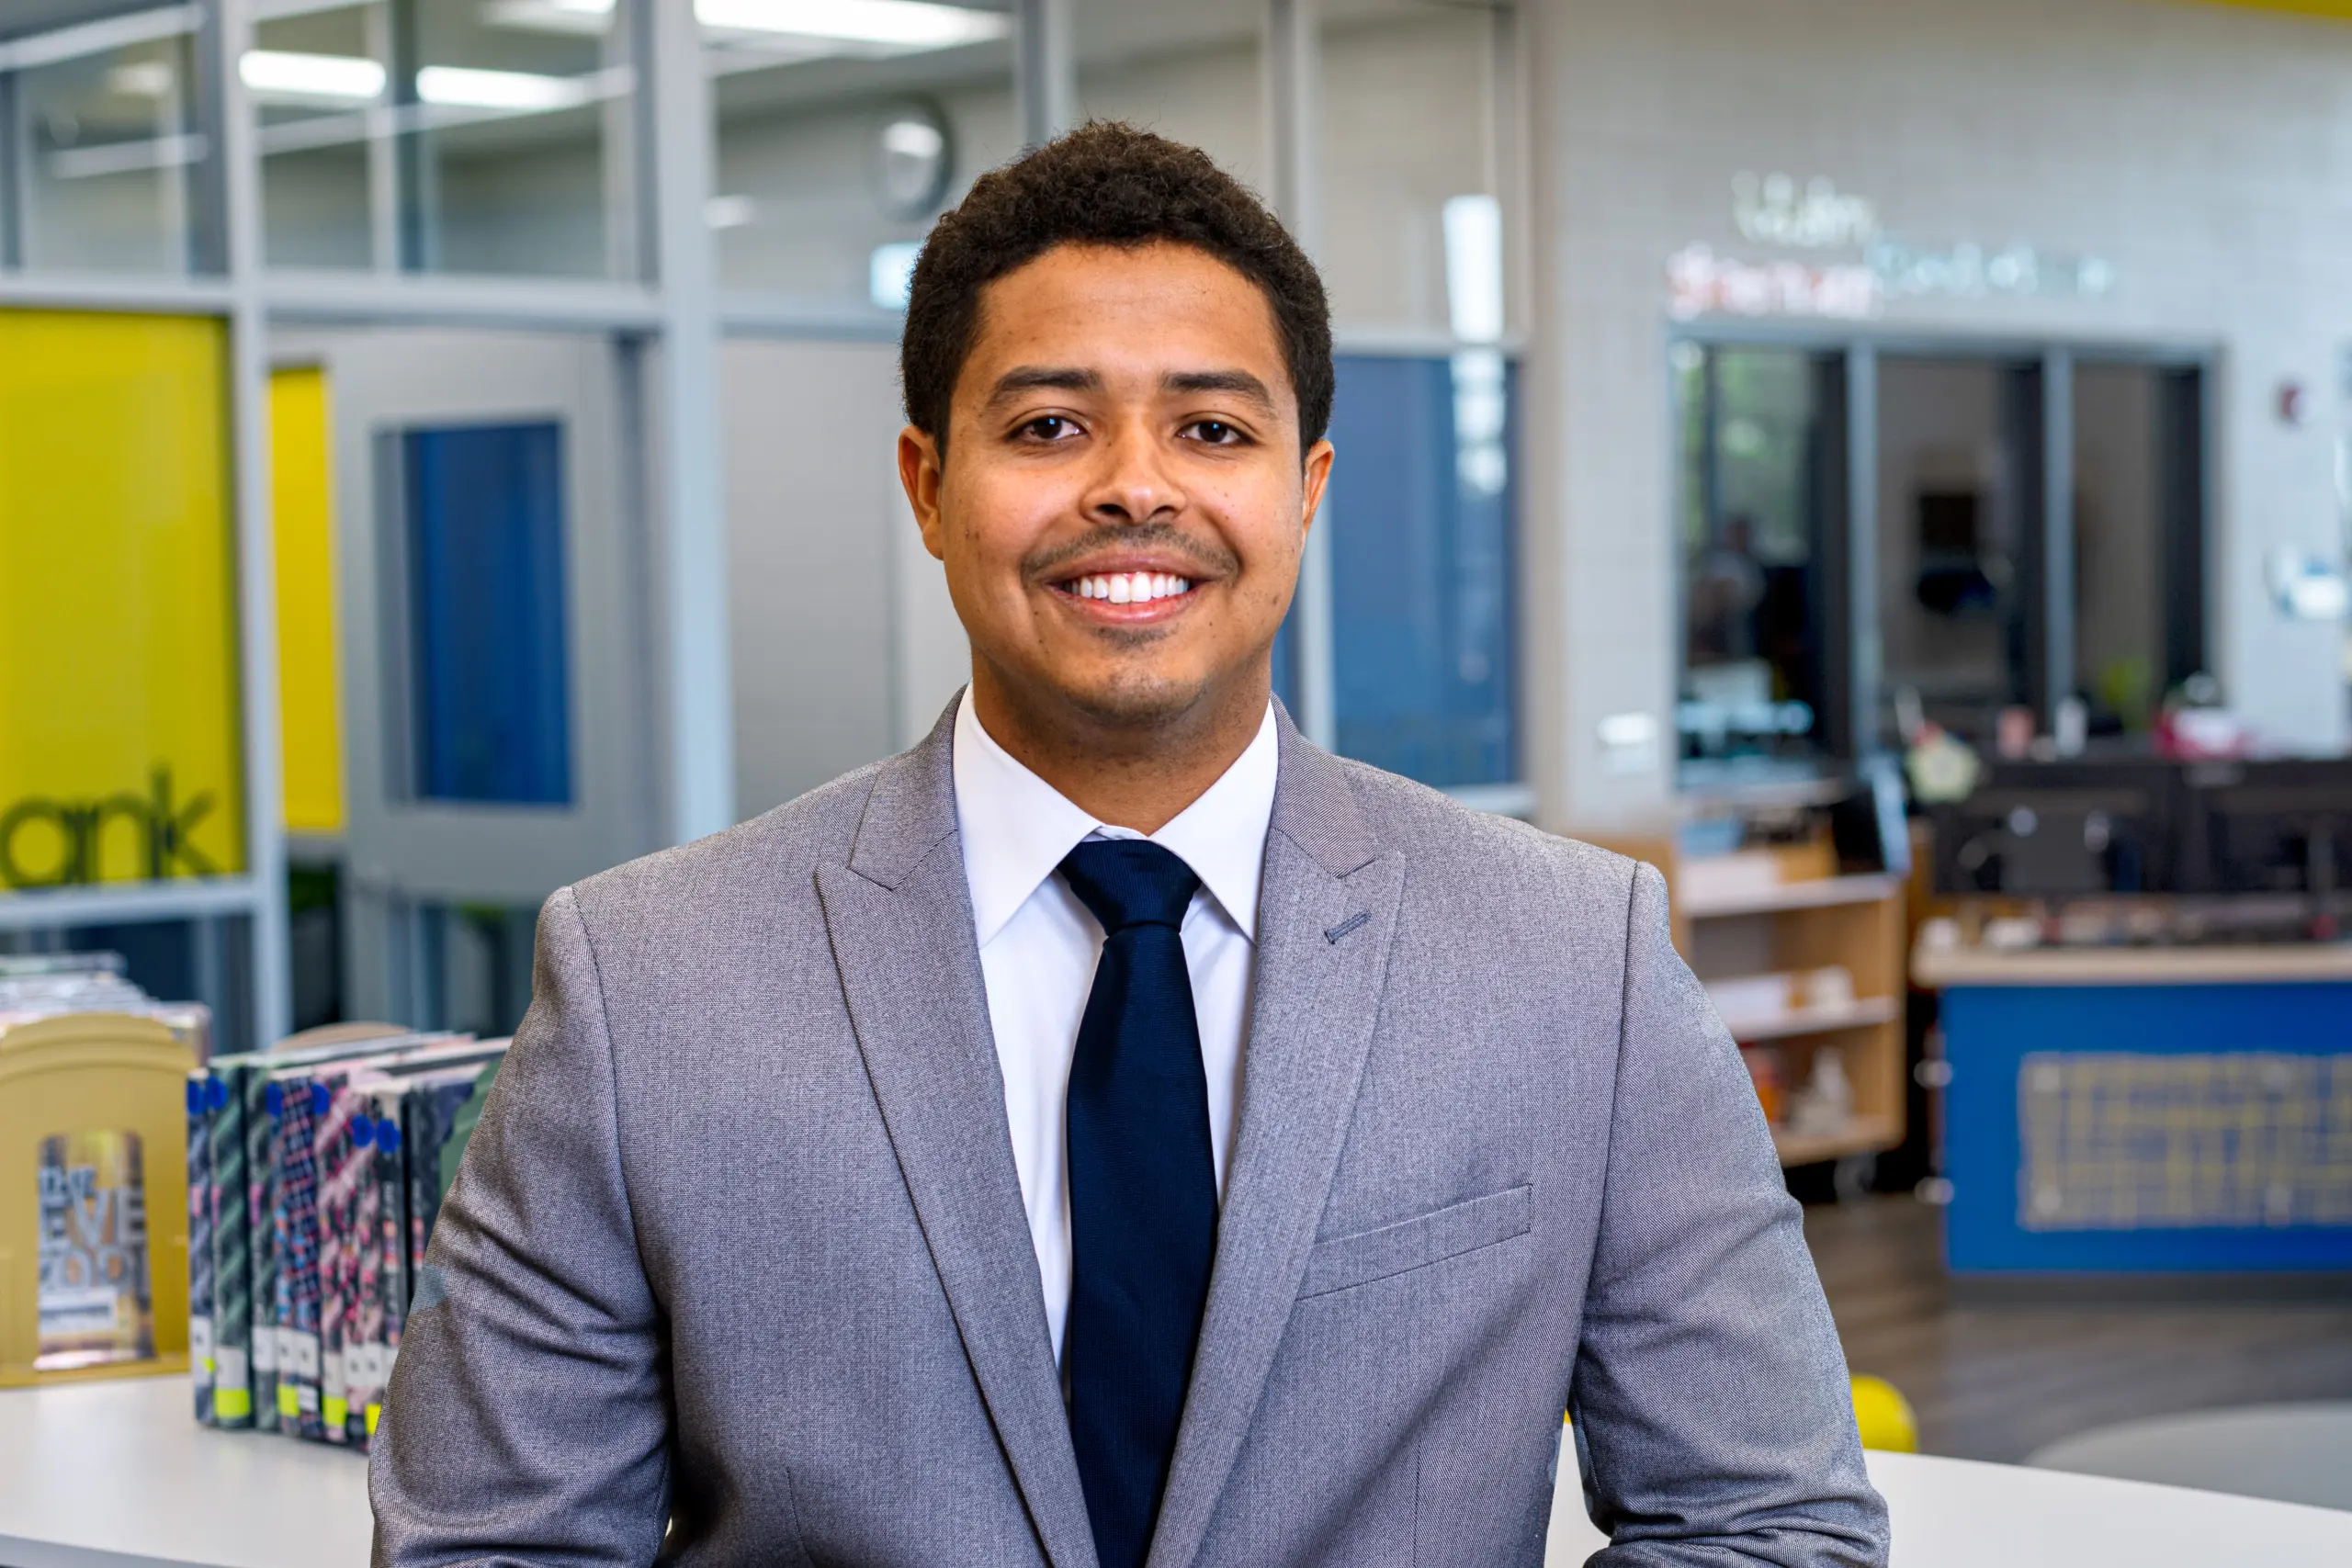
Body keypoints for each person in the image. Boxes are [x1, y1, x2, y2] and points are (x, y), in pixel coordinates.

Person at [370, 124, 1888, 1568]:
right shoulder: (648, 977)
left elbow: (1767, 1521)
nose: (1136, 487)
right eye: (1048, 425)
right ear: (928, 487)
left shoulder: (1578, 957)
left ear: (1305, 491)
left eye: (1212, 427)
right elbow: (492, 1542)